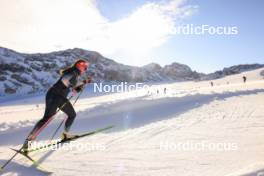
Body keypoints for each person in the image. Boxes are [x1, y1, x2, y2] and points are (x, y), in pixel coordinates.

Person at [22, 59, 92, 153]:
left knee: (71, 115)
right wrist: (76, 87)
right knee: (48, 118)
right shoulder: (73, 72)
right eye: (85, 66)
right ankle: (27, 142)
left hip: (58, 96)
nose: (86, 69)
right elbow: (66, 81)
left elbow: (72, 88)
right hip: (55, 96)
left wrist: (83, 83)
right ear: (80, 65)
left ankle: (65, 135)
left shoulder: (74, 73)